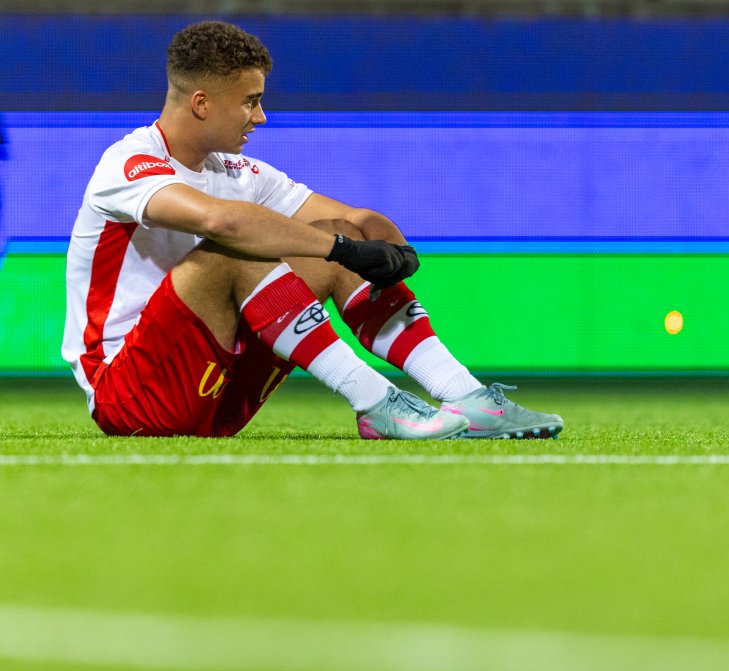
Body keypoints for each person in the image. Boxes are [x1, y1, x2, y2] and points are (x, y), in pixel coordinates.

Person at [62, 20, 562, 441]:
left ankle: (469, 398)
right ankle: (376, 402)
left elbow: (355, 220)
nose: (261, 116)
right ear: (201, 102)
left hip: (218, 394)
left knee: (333, 234)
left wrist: (390, 245)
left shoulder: (239, 172)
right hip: (129, 394)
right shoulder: (128, 163)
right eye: (250, 101)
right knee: (240, 245)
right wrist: (343, 250)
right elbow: (223, 222)